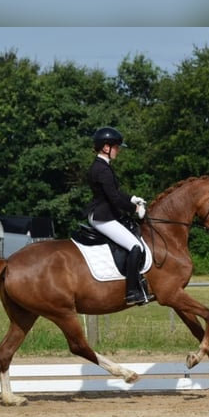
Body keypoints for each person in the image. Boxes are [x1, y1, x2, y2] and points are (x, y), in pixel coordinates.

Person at [86, 126, 153, 306]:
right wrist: (135, 209)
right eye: (116, 147)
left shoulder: (102, 166)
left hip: (104, 214)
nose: (118, 150)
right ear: (106, 147)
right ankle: (132, 292)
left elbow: (114, 192)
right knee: (135, 246)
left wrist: (132, 198)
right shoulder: (102, 170)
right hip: (103, 217)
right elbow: (114, 198)